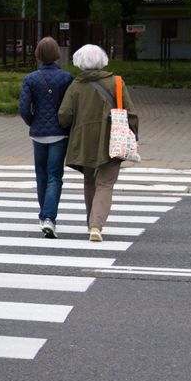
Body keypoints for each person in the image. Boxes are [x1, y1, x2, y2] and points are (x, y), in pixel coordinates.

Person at [58, 44, 138, 242]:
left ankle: (90, 223)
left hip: (84, 141)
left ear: (80, 62)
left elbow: (64, 115)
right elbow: (131, 113)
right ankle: (97, 225)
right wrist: (133, 135)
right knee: (106, 184)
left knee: (89, 182)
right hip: (114, 139)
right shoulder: (117, 82)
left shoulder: (76, 85)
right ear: (103, 61)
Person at [18, 37, 73, 238]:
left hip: (38, 134)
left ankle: (44, 216)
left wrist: (32, 121)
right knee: (55, 177)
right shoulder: (67, 78)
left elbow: (24, 108)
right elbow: (70, 107)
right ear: (57, 53)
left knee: (41, 176)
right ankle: (49, 218)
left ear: (38, 54)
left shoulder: (31, 78)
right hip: (59, 134)